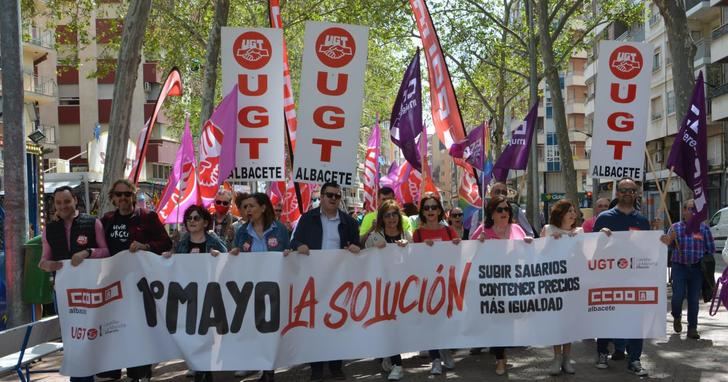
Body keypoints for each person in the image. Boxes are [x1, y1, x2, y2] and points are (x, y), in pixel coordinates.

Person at [594, 177, 672, 376]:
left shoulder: (642, 220)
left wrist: (660, 241)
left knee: (636, 320)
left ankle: (635, 359)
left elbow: (647, 251)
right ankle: (602, 352)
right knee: (606, 317)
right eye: (624, 190)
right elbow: (592, 250)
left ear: (636, 194)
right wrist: (599, 237)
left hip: (634, 279)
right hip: (608, 279)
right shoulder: (604, 218)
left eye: (632, 190)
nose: (628, 193)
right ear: (617, 193)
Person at [99, 179, 172, 382]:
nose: (123, 198)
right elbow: (99, 248)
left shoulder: (147, 217)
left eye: (127, 194)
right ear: (113, 198)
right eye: (119, 194)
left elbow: (166, 243)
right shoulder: (106, 220)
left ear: (133, 196)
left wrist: (146, 246)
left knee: (139, 328)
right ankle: (112, 369)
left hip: (141, 284)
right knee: (115, 326)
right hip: (113, 284)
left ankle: (139, 372)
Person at [289, 182, 360, 382]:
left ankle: (337, 367)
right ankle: (316, 368)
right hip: (313, 280)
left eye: (337, 196)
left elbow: (357, 245)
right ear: (321, 196)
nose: (333, 199)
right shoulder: (307, 218)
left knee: (337, 323)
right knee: (315, 324)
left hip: (339, 280)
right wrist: (299, 245)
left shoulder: (349, 222)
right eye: (329, 195)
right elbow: (293, 241)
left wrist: (355, 248)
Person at [38, 186, 110, 382]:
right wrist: (47, 265)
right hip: (63, 292)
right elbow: (44, 259)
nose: (63, 206)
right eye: (59, 203)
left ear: (75, 200)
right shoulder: (50, 229)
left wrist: (88, 252)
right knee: (72, 338)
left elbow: (106, 251)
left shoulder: (92, 222)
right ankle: (79, 376)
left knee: (90, 335)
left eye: (66, 201)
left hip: (91, 290)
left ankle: (85, 376)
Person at [228, 193, 289, 381]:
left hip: (275, 287)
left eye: (251, 206)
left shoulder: (279, 229)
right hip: (251, 288)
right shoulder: (242, 232)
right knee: (256, 327)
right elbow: (235, 254)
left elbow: (289, 251)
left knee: (271, 328)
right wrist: (235, 252)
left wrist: (289, 253)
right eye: (245, 207)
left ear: (263, 208)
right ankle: (261, 366)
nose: (247, 210)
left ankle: (269, 370)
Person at [163, 205, 226, 382]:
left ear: (205, 222)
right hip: (189, 296)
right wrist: (168, 257)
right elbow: (174, 263)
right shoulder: (182, 243)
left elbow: (228, 257)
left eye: (196, 218)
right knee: (193, 333)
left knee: (207, 334)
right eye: (189, 218)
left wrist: (218, 255)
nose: (192, 221)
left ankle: (205, 370)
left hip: (210, 294)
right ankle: (199, 368)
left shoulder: (213, 241)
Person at [473, 195, 533, 375]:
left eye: (507, 209)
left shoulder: (516, 229)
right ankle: (500, 359)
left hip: (513, 285)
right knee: (497, 322)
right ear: (491, 213)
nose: (504, 212)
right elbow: (469, 255)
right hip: (491, 286)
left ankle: (502, 352)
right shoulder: (482, 231)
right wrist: (478, 243)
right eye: (500, 209)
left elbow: (527, 254)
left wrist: (529, 243)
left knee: (508, 323)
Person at [412, 193, 460, 375]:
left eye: (434, 207)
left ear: (440, 210)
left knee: (446, 320)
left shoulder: (448, 231)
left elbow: (458, 256)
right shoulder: (417, 234)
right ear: (422, 212)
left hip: (447, 284)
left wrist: (457, 244)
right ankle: (436, 359)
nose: (430, 211)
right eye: (427, 208)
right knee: (430, 322)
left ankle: (445, 350)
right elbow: (413, 259)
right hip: (426, 285)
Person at [363, 199, 410, 380]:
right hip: (382, 288)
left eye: (394, 214)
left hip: (403, 288)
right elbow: (363, 258)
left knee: (397, 326)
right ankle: (397, 364)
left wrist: (408, 248)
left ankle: (389, 356)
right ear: (382, 218)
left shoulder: (407, 235)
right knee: (389, 324)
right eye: (387, 215)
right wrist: (373, 248)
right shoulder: (375, 237)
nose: (391, 218)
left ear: (398, 216)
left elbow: (416, 260)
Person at [540, 199, 582, 376]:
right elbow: (538, 255)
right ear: (560, 214)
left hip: (572, 285)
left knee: (569, 322)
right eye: (569, 211)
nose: (573, 214)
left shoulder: (580, 232)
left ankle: (567, 357)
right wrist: (550, 242)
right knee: (556, 321)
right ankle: (556, 357)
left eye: (574, 211)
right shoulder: (549, 230)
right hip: (554, 284)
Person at [664, 199, 715, 340]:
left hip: (697, 268)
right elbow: (666, 248)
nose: (692, 212)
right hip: (679, 267)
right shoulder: (675, 228)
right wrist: (671, 240)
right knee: (677, 296)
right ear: (684, 211)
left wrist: (705, 256)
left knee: (693, 300)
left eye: (695, 209)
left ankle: (692, 328)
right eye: (689, 209)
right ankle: (677, 316)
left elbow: (711, 249)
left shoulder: (703, 229)